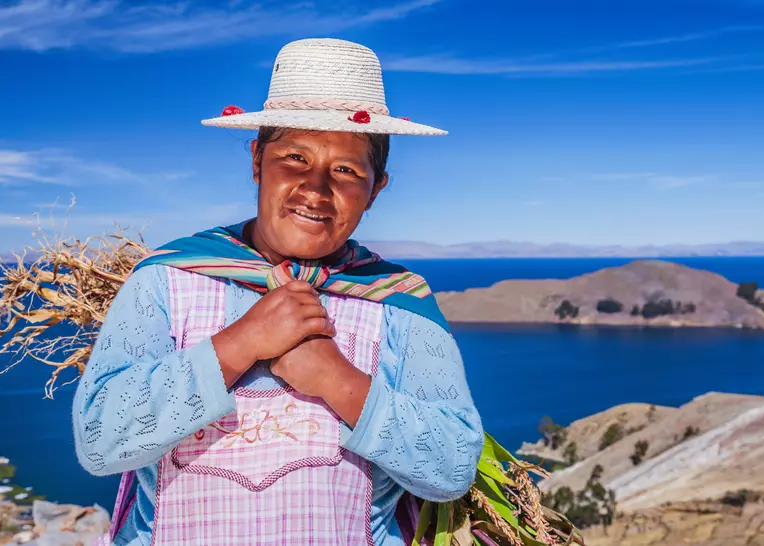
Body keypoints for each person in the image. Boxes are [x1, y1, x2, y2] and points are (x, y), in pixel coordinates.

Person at [71, 38, 484, 546]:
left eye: (347, 170)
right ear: (257, 161)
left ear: (375, 189)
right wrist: (240, 343)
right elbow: (99, 441)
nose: (316, 188)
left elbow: (452, 468)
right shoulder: (168, 281)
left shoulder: (399, 303)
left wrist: (338, 380)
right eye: (295, 157)